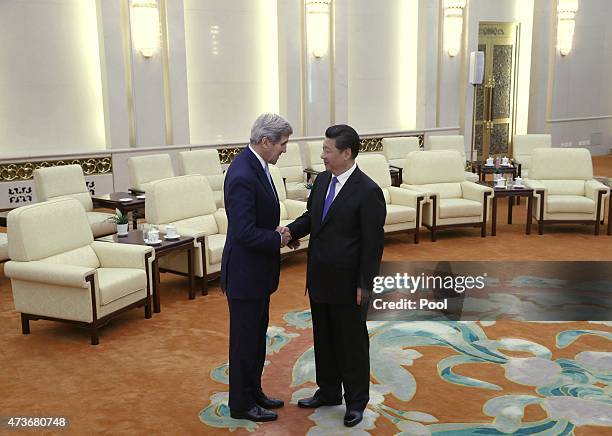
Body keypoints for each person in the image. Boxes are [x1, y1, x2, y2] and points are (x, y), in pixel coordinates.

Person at [286, 124, 386, 427]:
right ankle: (328, 391)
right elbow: (311, 217)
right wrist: (290, 231)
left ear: (346, 152)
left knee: (352, 344)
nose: (323, 155)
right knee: (324, 339)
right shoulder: (322, 181)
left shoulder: (368, 191)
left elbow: (372, 246)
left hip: (348, 285)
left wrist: (364, 285)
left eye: (328, 150)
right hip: (319, 278)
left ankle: (356, 401)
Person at [221, 113, 293, 422]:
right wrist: (278, 237)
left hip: (258, 274)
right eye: (282, 144)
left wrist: (278, 236)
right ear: (265, 141)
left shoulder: (258, 166)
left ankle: (254, 392)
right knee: (244, 343)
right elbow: (244, 232)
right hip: (245, 275)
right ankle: (241, 404)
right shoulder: (242, 174)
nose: (284, 150)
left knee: (256, 338)